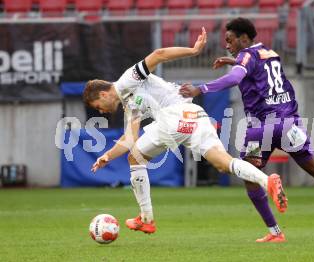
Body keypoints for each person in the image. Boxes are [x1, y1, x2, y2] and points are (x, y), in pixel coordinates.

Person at [179, 17, 314, 243]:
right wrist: (234, 61)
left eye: (230, 41)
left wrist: (199, 89)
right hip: (289, 124)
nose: (227, 45)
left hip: (261, 128)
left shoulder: (246, 56)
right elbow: (256, 71)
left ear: (244, 38)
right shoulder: (268, 53)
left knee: (248, 175)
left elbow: (235, 78)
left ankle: (275, 229)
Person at [83, 28, 287, 235]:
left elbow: (158, 55)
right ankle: (267, 181)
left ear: (102, 94)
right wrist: (107, 156)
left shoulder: (128, 80)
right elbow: (130, 139)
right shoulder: (129, 103)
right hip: (194, 114)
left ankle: (147, 218)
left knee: (136, 158)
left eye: (98, 106)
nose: (101, 110)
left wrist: (193, 50)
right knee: (223, 163)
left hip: (173, 117)